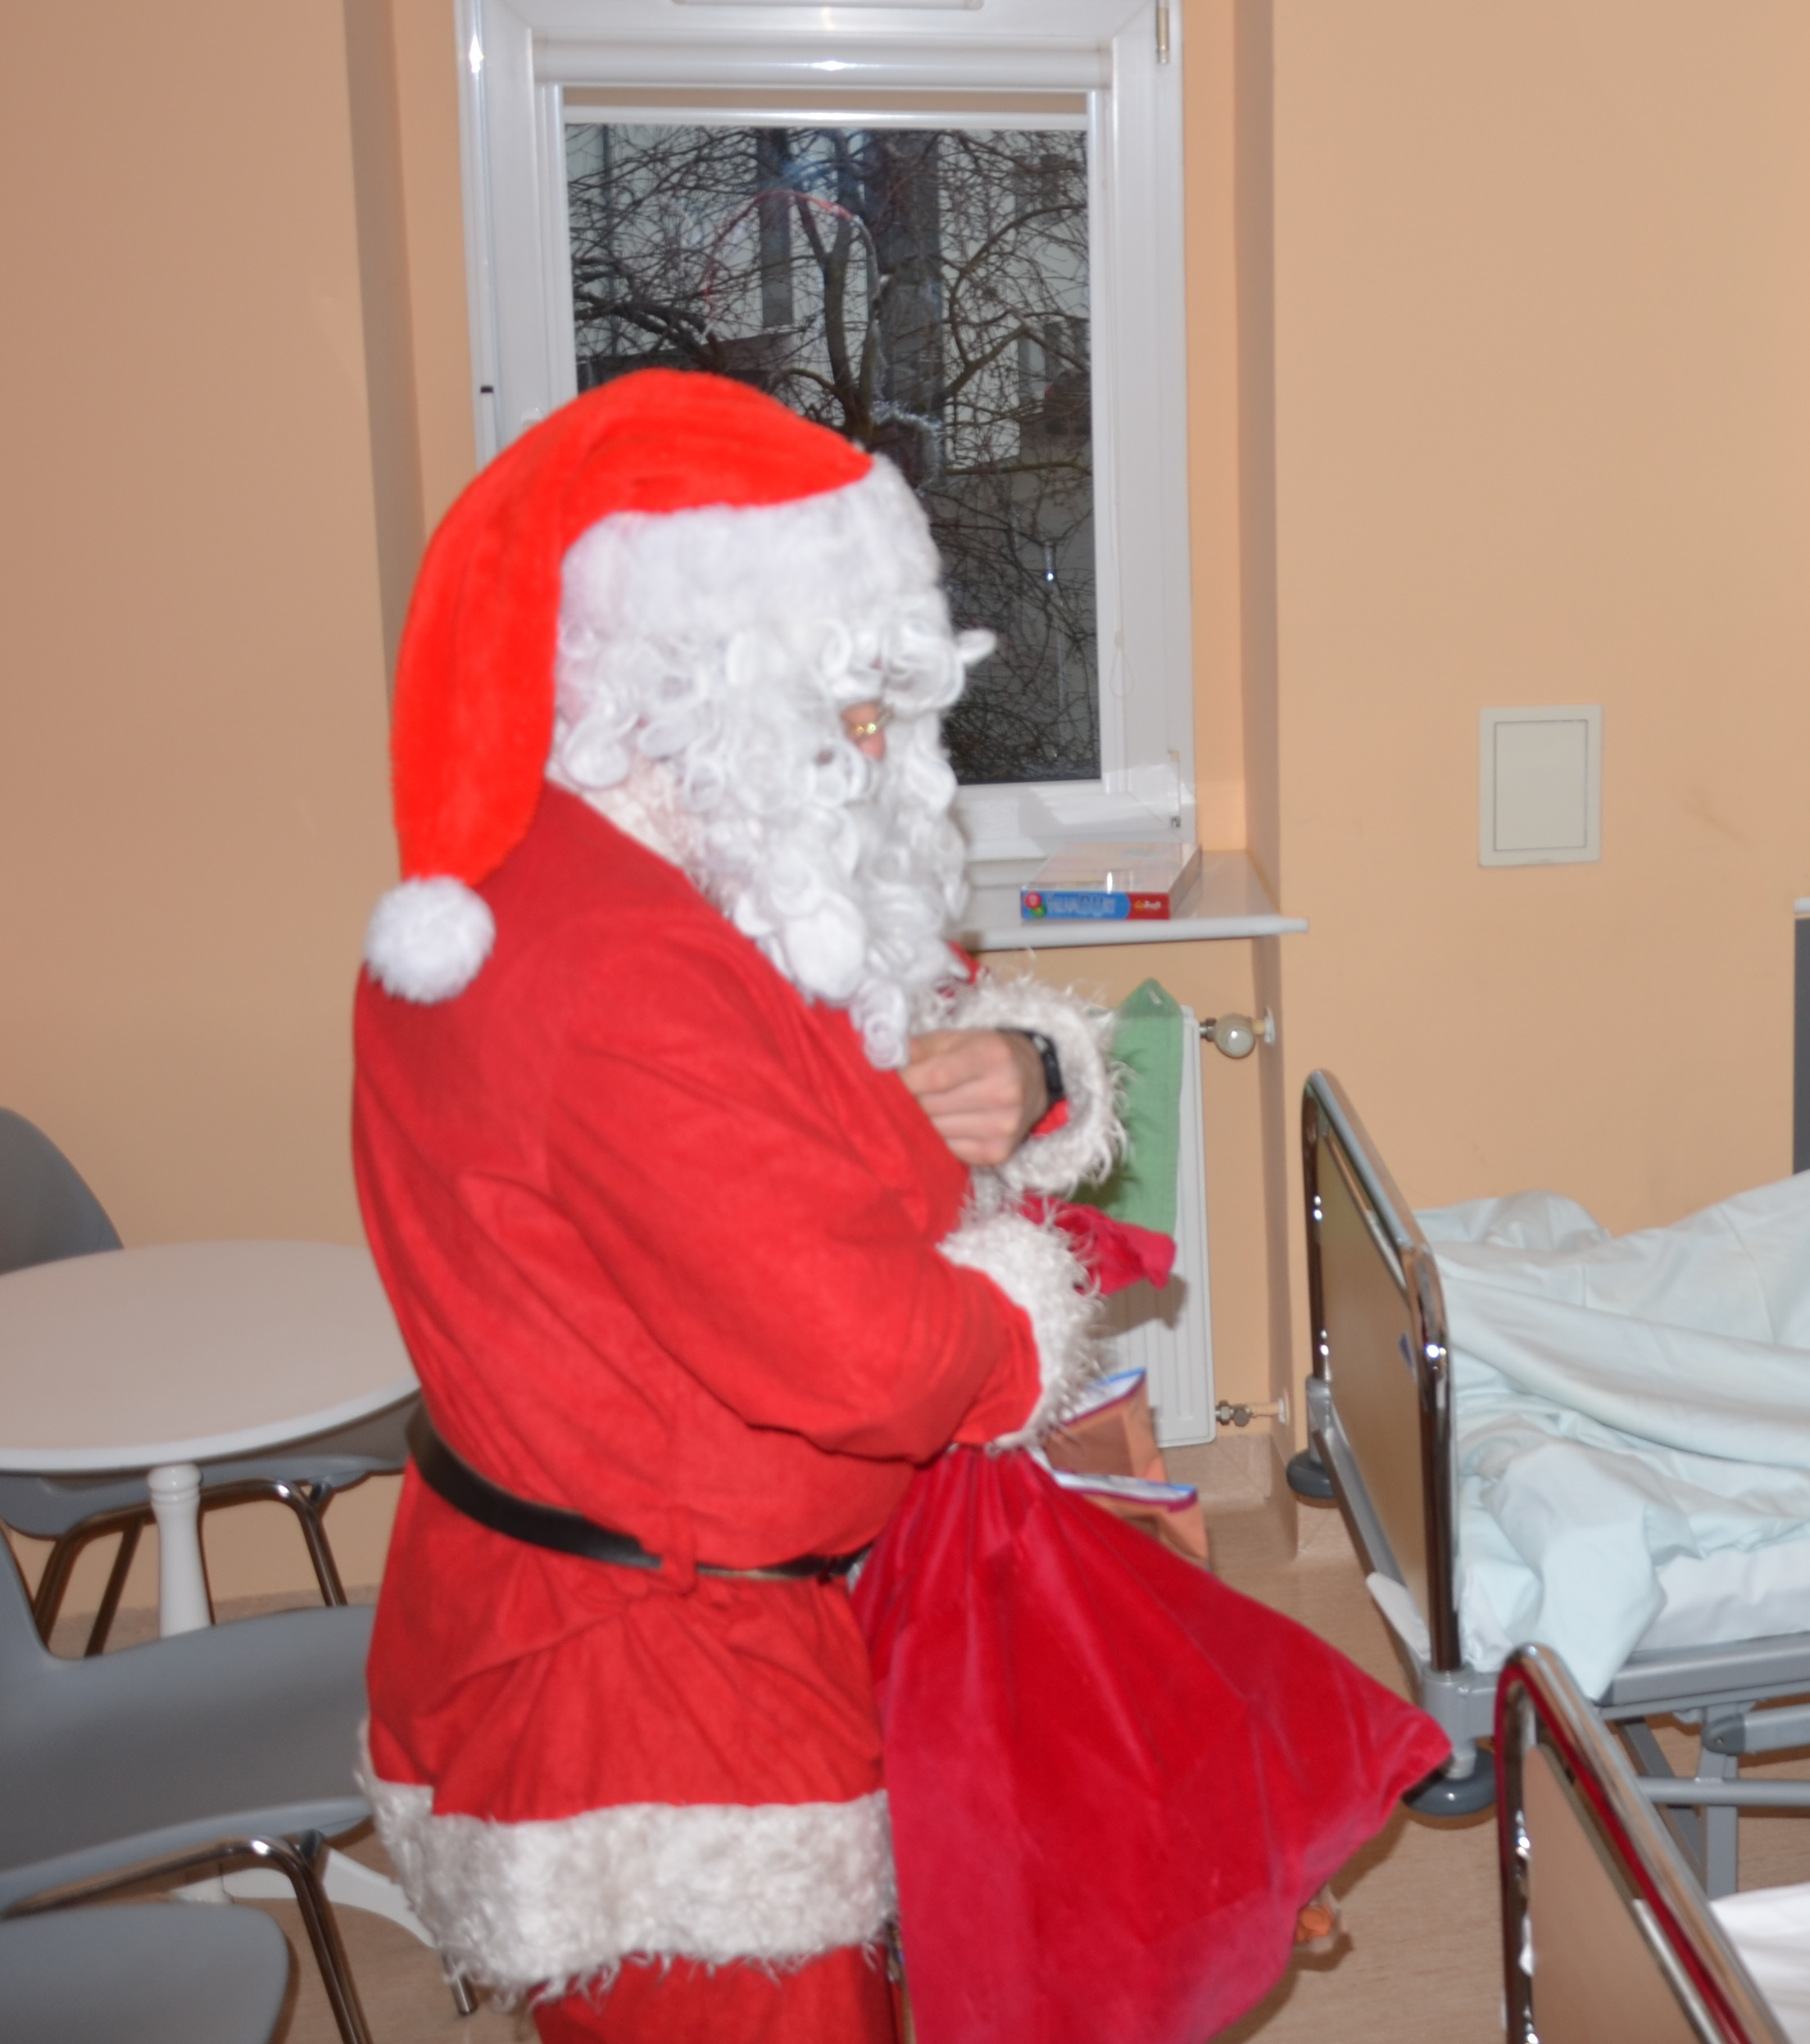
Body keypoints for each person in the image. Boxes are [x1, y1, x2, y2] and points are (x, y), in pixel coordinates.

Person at [346, 374, 1282, 2041]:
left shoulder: (672, 868)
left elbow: (869, 1075)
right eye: (842, 706)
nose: (875, 754)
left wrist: (1025, 1068)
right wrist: (1021, 1303)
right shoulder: (610, 966)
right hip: (657, 1684)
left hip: (712, 1609)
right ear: (687, 679)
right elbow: (878, 1356)